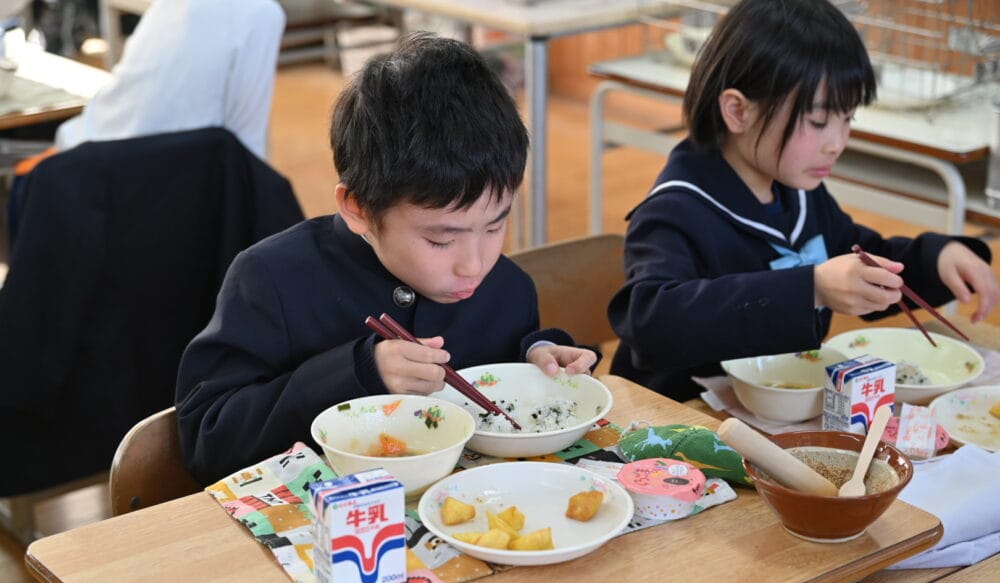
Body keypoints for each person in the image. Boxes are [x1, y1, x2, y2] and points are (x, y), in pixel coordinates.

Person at [175, 33, 597, 485]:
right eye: (441, 240)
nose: (474, 265)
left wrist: (538, 357)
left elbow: (502, 386)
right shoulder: (272, 279)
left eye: (495, 226)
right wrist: (358, 372)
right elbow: (207, 440)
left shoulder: (508, 288)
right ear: (358, 207)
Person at [608, 0, 999, 402]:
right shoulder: (674, 211)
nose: (837, 143)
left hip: (776, 411)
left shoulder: (797, 192)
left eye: (847, 119)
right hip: (674, 420)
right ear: (738, 111)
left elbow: (862, 259)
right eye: (818, 122)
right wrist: (810, 288)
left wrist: (937, 259)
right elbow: (650, 322)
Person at [54, 0, 284, 159]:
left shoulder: (168, 7)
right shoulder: (261, 14)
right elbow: (249, 143)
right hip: (163, 177)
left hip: (89, 155)